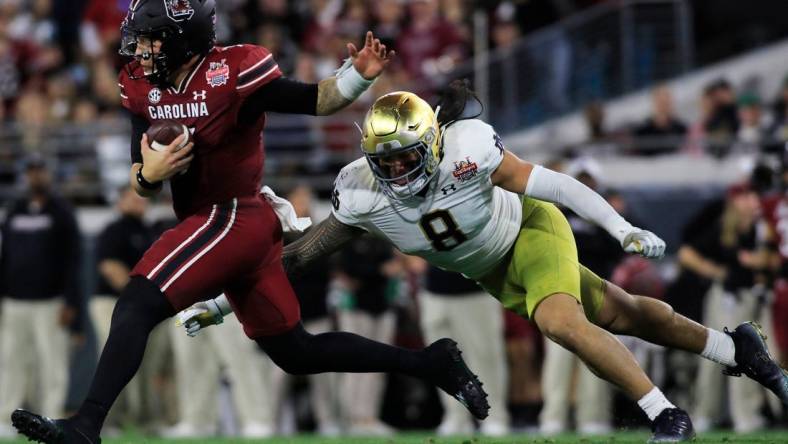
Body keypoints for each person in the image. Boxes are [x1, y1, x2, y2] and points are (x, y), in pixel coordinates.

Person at [186, 82, 788, 443]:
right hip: (492, 271)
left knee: (561, 322)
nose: (394, 171)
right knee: (624, 314)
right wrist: (221, 300)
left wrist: (621, 225)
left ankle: (666, 416)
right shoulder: (361, 191)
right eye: (383, 160)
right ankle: (736, 349)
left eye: (404, 158)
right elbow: (301, 255)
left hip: (527, 229)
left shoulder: (467, 151)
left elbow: (552, 184)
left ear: (434, 144)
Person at [10, 2, 487, 443]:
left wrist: (357, 78)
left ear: (182, 37)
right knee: (296, 351)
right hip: (227, 225)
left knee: (137, 301)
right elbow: (143, 181)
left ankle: (86, 424)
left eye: (151, 39)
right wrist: (147, 175)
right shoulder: (140, 83)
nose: (140, 50)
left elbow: (314, 99)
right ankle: (430, 362)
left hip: (233, 213)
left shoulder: (231, 70)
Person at [0, 156, 82, 438]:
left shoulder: (61, 211)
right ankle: (5, 418)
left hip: (51, 301)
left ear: (48, 175)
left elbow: (74, 259)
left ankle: (52, 417)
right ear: (26, 176)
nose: (36, 177)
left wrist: (72, 301)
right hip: (14, 301)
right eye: (32, 172)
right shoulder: (15, 210)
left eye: (40, 172)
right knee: (11, 361)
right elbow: (5, 256)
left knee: (52, 363)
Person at [90, 186, 156, 430]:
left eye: (141, 197)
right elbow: (110, 267)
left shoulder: (150, 231)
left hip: (140, 306)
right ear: (120, 202)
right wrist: (139, 297)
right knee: (113, 358)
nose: (139, 201)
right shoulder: (114, 230)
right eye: (132, 197)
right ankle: (108, 421)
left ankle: (143, 419)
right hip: (111, 302)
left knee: (145, 363)